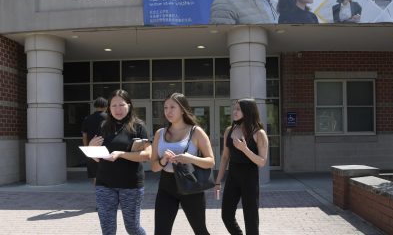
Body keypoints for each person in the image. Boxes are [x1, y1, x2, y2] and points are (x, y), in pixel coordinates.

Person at [151, 93, 215, 235]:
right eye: (165, 107)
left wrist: (190, 159)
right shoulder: (159, 133)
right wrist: (163, 160)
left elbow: (211, 161)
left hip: (191, 185)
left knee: (200, 230)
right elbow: (154, 167)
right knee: (161, 232)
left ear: (183, 109)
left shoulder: (196, 131)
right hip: (166, 187)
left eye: (172, 107)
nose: (168, 111)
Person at [89, 89, 151, 235]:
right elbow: (98, 157)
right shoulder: (104, 126)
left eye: (121, 105)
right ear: (109, 108)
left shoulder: (138, 126)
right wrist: (91, 149)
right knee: (108, 229)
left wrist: (122, 154)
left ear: (129, 105)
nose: (118, 109)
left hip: (130, 185)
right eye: (113, 105)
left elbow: (148, 155)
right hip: (104, 184)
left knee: (132, 228)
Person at [215, 98, 269, 235]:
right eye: (234, 108)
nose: (234, 111)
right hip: (232, 177)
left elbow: (262, 162)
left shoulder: (259, 133)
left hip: (249, 178)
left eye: (238, 109)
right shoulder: (229, 130)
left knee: (250, 219)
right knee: (226, 216)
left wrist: (245, 149)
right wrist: (218, 181)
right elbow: (225, 158)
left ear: (248, 111)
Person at [82, 96, 108, 184]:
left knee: (95, 174)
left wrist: (86, 148)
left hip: (92, 148)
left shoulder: (88, 118)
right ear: (106, 106)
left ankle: (98, 191)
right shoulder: (109, 118)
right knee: (108, 171)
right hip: (106, 148)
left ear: (95, 106)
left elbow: (84, 135)